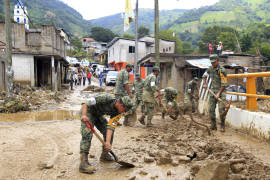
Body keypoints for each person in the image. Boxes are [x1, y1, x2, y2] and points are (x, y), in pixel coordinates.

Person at [79, 93, 134, 174]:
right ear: (121, 104)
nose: (124, 112)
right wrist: (84, 115)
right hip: (88, 112)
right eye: (125, 110)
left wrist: (107, 142)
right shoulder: (106, 98)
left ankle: (105, 155)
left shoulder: (118, 113)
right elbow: (85, 102)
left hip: (98, 115)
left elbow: (111, 127)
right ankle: (83, 163)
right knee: (87, 133)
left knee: (107, 131)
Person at [203, 54, 227, 132]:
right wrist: (205, 83)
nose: (213, 64)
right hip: (213, 91)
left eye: (214, 62)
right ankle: (213, 126)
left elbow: (224, 84)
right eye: (211, 62)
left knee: (221, 110)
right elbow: (204, 75)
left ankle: (222, 125)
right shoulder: (210, 69)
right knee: (211, 109)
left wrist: (219, 93)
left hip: (221, 91)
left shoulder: (222, 70)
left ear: (218, 60)